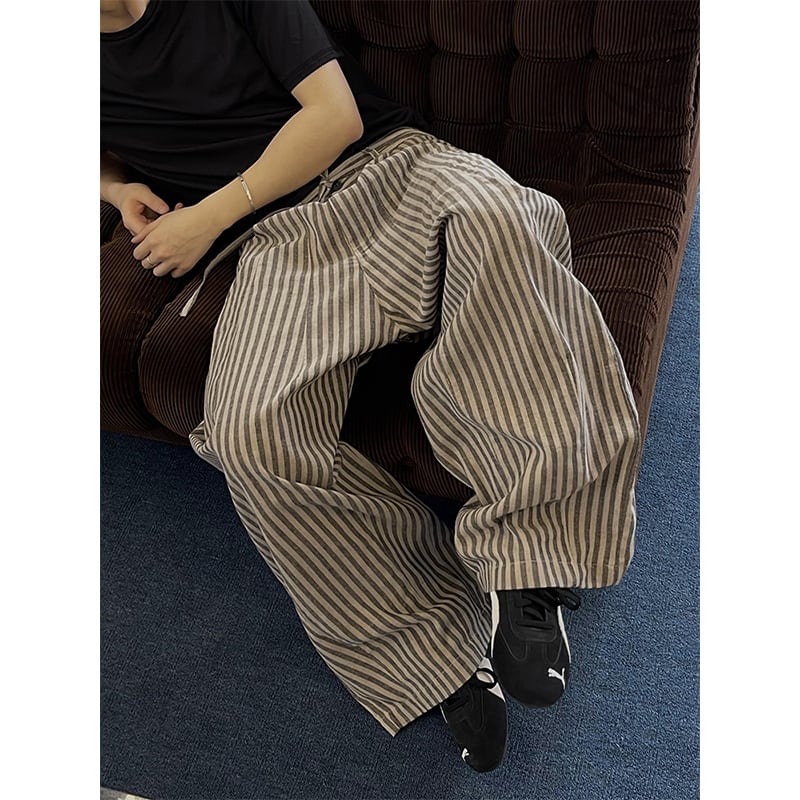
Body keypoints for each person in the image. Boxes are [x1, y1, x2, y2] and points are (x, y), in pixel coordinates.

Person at [101, 0, 640, 773]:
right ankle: (437, 648)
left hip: (388, 168)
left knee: (502, 223)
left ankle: (530, 567)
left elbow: (334, 116)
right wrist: (115, 189)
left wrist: (204, 219)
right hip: (276, 247)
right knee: (249, 432)